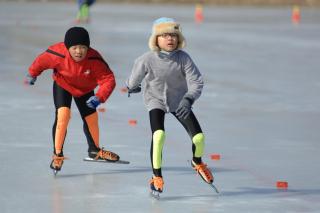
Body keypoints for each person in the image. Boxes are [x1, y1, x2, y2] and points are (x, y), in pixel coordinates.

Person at [126, 17, 214, 195]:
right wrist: (131, 86)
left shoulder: (184, 58)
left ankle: (197, 161)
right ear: (156, 39)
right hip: (155, 100)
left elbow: (196, 82)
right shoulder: (147, 59)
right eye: (164, 35)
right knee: (158, 135)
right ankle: (156, 176)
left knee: (199, 138)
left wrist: (188, 99)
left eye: (173, 35)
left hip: (179, 101)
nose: (170, 39)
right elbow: (132, 79)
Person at [25, 26, 120, 173]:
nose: (78, 51)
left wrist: (99, 97)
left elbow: (108, 79)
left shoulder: (94, 59)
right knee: (63, 114)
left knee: (91, 118)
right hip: (63, 84)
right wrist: (32, 74)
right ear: (67, 47)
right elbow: (41, 61)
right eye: (74, 47)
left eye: (82, 47)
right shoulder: (57, 53)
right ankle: (57, 155)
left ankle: (94, 150)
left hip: (85, 89)